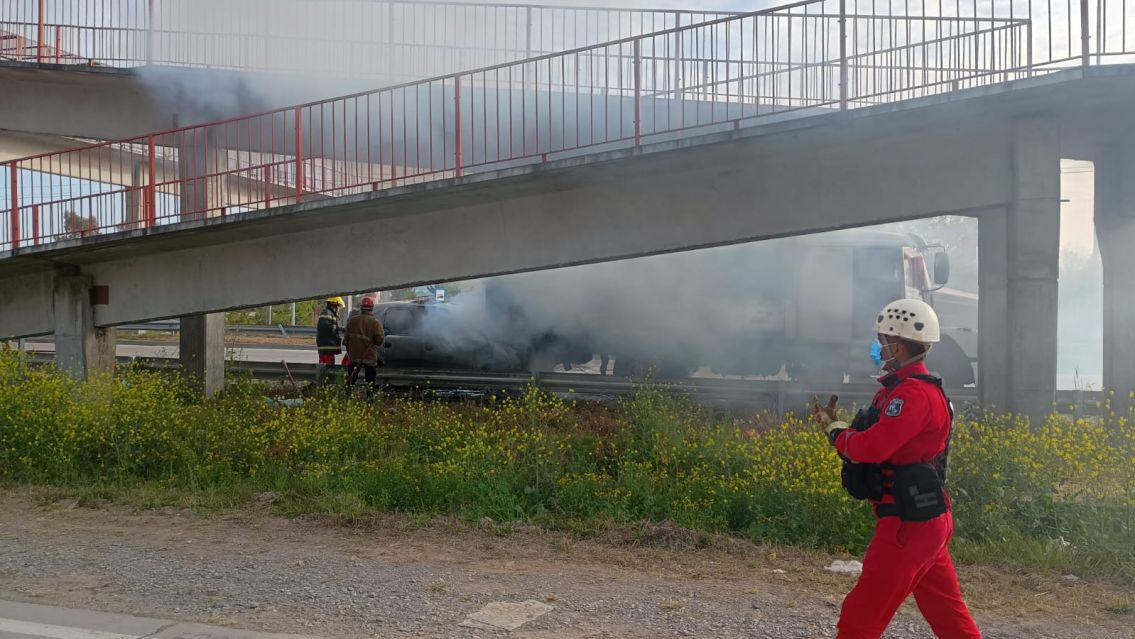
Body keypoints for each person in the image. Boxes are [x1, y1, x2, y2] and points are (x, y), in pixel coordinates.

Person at [811, 298, 981, 639]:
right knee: (949, 617)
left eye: (882, 340)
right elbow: (875, 440)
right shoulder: (903, 391)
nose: (877, 347)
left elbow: (873, 447)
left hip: (908, 525)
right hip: (925, 519)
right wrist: (839, 429)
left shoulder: (911, 395)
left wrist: (838, 435)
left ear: (898, 348)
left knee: (861, 615)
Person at [344, 296, 385, 399]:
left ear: (361, 308)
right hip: (369, 356)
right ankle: (369, 398)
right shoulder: (374, 322)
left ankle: (348, 396)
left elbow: (346, 339)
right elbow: (380, 340)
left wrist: (350, 351)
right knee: (370, 379)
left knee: (352, 377)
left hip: (354, 356)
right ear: (371, 308)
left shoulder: (352, 320)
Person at [315, 297, 344, 384]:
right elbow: (325, 327)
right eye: (338, 306)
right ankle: (325, 384)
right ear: (333, 304)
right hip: (326, 346)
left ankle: (324, 384)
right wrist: (338, 329)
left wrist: (340, 329)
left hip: (327, 346)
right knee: (327, 367)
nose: (338, 308)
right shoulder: (327, 313)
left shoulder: (330, 313)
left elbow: (329, 327)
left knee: (326, 366)